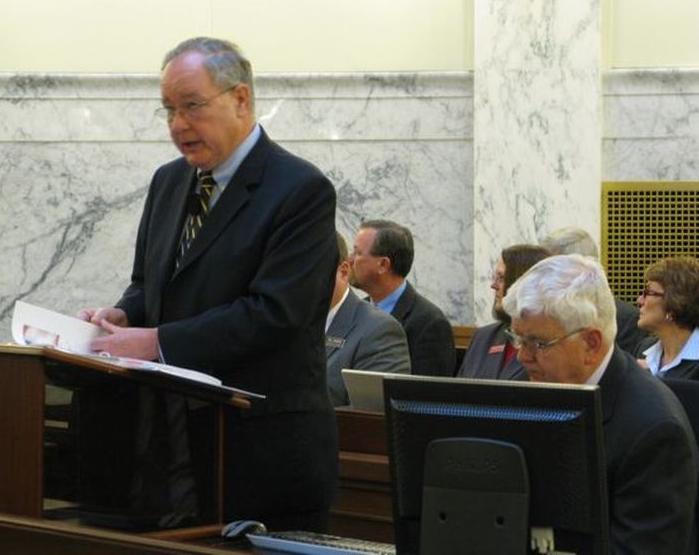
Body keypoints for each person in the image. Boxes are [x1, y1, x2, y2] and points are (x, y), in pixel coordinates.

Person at [79, 37, 338, 531]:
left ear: (241, 99)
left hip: (258, 455)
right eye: (168, 110)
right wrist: (124, 316)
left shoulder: (300, 190)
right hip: (169, 456)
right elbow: (148, 283)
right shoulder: (168, 181)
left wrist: (156, 342)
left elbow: (275, 313)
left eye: (192, 106)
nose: (178, 125)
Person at [503, 254, 699, 554]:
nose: (522, 356)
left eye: (538, 343)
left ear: (591, 344)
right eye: (518, 339)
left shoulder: (654, 431)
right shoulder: (522, 389)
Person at [349, 219, 456, 376]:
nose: (350, 260)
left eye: (357, 253)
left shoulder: (430, 324)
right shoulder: (355, 311)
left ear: (383, 265)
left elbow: (429, 396)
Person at [325, 232, 410, 406]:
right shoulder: (284, 322)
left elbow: (373, 413)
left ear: (343, 272)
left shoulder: (379, 330)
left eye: (310, 274)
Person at [540, 226, 648, 353]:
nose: (542, 275)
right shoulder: (544, 312)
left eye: (551, 267)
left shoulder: (626, 320)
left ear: (579, 266)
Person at [457, 244, 550, 379]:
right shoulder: (484, 337)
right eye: (495, 278)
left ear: (521, 283)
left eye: (501, 278)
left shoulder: (548, 344)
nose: (493, 286)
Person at [634, 256, 699, 380]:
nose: (640, 300)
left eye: (648, 292)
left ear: (675, 303)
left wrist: (651, 380)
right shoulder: (643, 349)